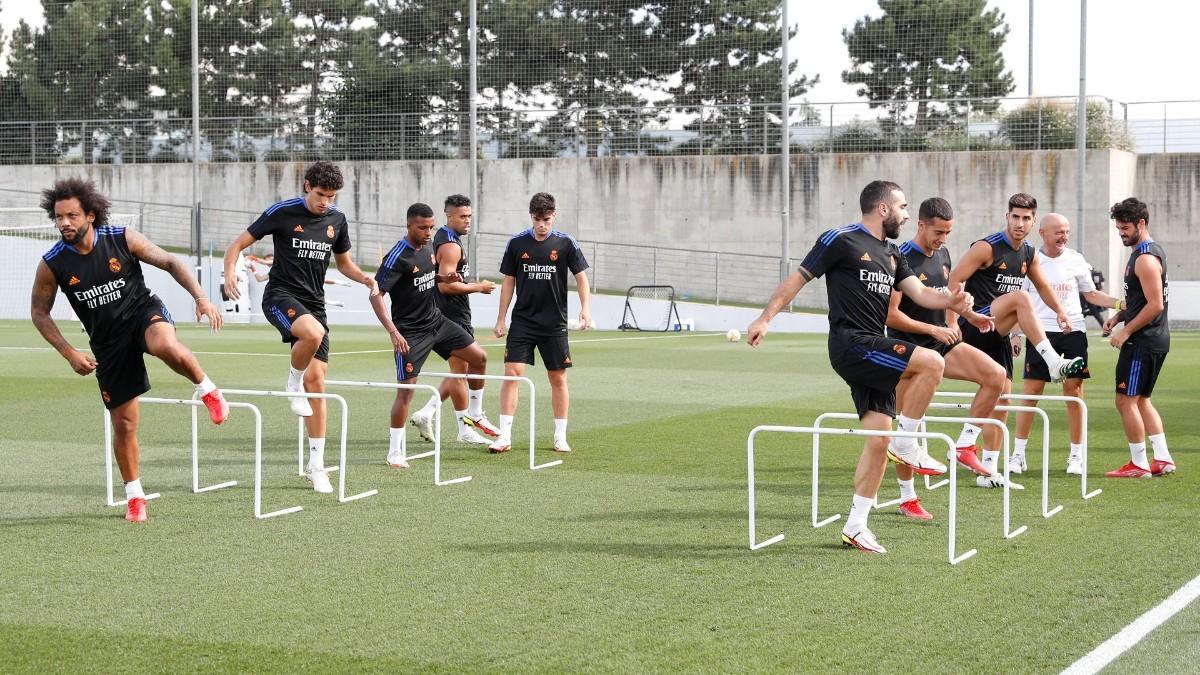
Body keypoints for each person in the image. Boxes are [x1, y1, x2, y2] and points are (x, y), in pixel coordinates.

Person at [748, 180, 974, 555]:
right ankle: (908, 441)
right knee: (931, 361)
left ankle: (856, 527)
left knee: (877, 440)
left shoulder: (892, 252)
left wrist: (952, 299)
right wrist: (765, 318)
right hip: (852, 343)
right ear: (883, 209)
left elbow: (920, 294)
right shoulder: (839, 239)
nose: (905, 213)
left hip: (875, 345)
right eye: (902, 207)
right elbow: (797, 279)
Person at [31, 177, 230, 523]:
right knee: (123, 424)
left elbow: (170, 262)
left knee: (165, 343)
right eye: (59, 217)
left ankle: (208, 390)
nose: (64, 223)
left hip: (142, 313)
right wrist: (69, 353)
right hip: (107, 343)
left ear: (91, 215)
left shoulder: (120, 238)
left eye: (72, 216)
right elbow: (39, 313)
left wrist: (200, 298)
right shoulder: (53, 263)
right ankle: (135, 496)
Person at [222, 161, 379, 494]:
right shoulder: (282, 212)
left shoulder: (336, 220)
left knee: (318, 384)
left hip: (315, 303)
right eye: (321, 194)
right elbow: (236, 245)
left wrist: (366, 278)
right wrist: (228, 275)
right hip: (280, 296)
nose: (326, 202)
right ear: (308, 186)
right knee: (312, 334)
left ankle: (316, 466)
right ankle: (291, 384)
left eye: (332, 197)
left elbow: (345, 263)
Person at [947, 193, 1086, 487]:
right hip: (974, 323)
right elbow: (954, 281)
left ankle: (987, 470)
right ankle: (1053, 362)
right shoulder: (987, 247)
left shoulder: (1029, 254)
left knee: (1003, 400)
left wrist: (1061, 312)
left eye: (1026, 218)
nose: (1020, 223)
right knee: (1022, 298)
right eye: (1015, 217)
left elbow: (1044, 286)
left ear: (1033, 221)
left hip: (996, 332)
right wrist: (954, 321)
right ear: (1006, 216)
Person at [884, 197, 1010, 521]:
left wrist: (968, 316)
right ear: (921, 225)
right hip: (907, 352)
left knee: (997, 377)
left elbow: (945, 298)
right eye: (938, 232)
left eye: (948, 233)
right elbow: (892, 316)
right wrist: (934, 330)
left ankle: (965, 445)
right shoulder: (901, 258)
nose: (943, 239)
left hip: (941, 344)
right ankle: (907, 497)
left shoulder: (942, 254)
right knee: (907, 431)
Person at [369, 203, 491, 465]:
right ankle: (395, 452)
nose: (428, 232)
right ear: (409, 225)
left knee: (479, 358)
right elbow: (376, 294)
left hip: (438, 322)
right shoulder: (396, 257)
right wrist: (393, 331)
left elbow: (431, 278)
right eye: (422, 227)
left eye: (431, 227)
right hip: (411, 333)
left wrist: (447, 279)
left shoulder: (427, 250)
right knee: (406, 393)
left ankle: (476, 413)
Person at [1011, 214, 1119, 475]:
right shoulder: (1030, 260)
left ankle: (1075, 456)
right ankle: (1018, 454)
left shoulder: (1076, 260)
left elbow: (1091, 294)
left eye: (1066, 231)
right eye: (1058, 231)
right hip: (1040, 333)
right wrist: (1015, 333)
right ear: (1043, 233)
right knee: (1030, 393)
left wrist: (1121, 305)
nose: (1064, 236)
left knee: (1073, 391)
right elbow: (1018, 299)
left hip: (1073, 333)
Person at [491, 192, 591, 454]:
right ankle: (505, 436)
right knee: (512, 374)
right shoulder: (516, 243)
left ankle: (560, 436)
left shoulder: (566, 243)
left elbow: (581, 277)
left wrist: (585, 310)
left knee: (557, 377)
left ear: (554, 216)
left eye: (546, 219)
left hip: (554, 324)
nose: (542, 225)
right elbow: (508, 281)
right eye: (538, 220)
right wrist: (501, 318)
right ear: (531, 217)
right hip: (523, 321)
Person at [407, 194, 500, 443]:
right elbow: (446, 286)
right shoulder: (450, 245)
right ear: (449, 216)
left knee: (460, 370)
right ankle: (469, 421)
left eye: (469, 216)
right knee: (466, 368)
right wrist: (478, 287)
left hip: (446, 312)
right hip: (451, 314)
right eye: (462, 216)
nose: (467, 221)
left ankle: (435, 415)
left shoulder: (446, 238)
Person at [1103, 198, 1175, 478]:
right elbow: (1141, 300)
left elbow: (1155, 304)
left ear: (1141, 224)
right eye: (1118, 227)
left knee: (1125, 400)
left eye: (1125, 228)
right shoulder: (1146, 252)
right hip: (1154, 339)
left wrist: (1127, 331)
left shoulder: (1145, 258)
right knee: (1142, 399)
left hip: (1143, 340)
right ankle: (1163, 458)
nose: (1121, 232)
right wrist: (1119, 317)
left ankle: (1138, 464)